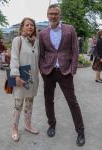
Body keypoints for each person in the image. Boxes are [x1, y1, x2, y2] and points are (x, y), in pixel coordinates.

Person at [39, 4, 85, 146]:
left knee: (72, 102)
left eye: (56, 13)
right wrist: (42, 70)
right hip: (49, 72)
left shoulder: (69, 29)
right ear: (47, 15)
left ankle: (80, 131)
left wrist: (73, 69)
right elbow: (41, 54)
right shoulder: (42, 33)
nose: (53, 16)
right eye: (51, 13)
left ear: (60, 15)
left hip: (65, 72)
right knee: (48, 100)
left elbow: (75, 51)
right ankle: (51, 124)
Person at [10, 17, 39, 142]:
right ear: (22, 27)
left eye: (32, 25)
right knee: (18, 105)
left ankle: (28, 124)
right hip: (20, 78)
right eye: (27, 25)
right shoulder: (18, 40)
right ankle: (15, 128)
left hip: (33, 79)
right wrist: (16, 76)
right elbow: (14, 58)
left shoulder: (36, 42)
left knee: (29, 103)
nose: (29, 27)